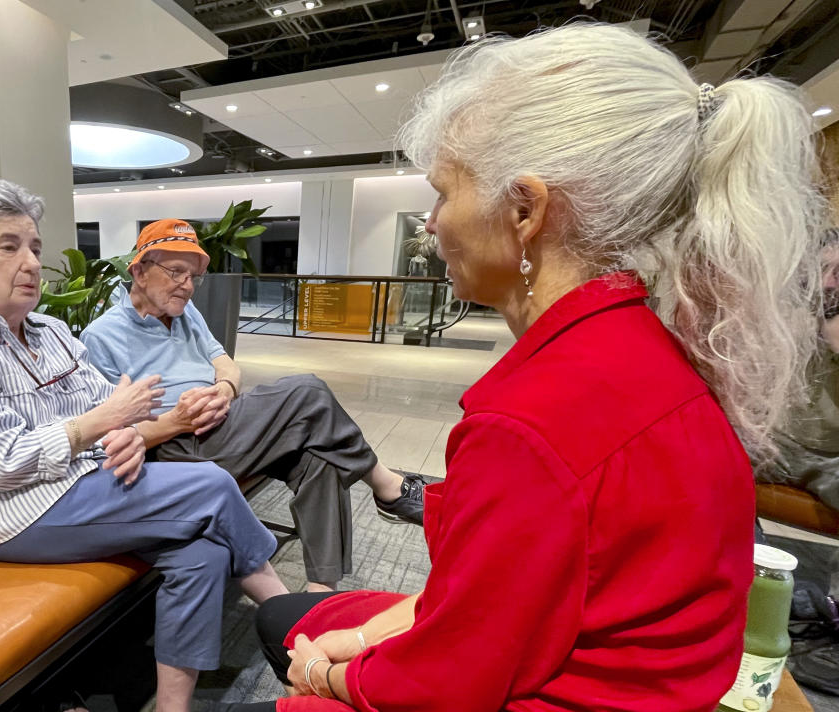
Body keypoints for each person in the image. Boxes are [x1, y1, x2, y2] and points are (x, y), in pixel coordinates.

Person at [212, 22, 827, 712]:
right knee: (290, 614)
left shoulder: (531, 421)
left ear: (527, 210)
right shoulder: (652, 350)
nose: (431, 223)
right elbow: (493, 602)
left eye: (443, 193)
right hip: (628, 676)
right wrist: (369, 636)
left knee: (291, 641)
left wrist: (326, 677)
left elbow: (445, 683)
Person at [0, 179, 291, 712]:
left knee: (203, 552)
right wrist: (96, 426)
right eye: (9, 247)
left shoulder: (51, 332)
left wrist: (126, 432)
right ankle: (300, 637)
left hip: (77, 485)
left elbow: (114, 404)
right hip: (4, 512)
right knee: (210, 484)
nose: (32, 263)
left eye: (34, 247)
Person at [79, 219, 425, 592]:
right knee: (306, 390)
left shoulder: (184, 311)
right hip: (177, 447)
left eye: (193, 276)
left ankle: (319, 593)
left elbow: (225, 363)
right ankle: (387, 486)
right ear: (139, 271)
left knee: (318, 456)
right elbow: (113, 436)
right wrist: (178, 420)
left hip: (225, 426)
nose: (188, 285)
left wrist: (225, 389)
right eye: (176, 272)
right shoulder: (101, 337)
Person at [757, 229, 839, 512]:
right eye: (821, 271)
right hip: (772, 442)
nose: (827, 283)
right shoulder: (782, 310)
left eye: (837, 273)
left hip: (830, 460)